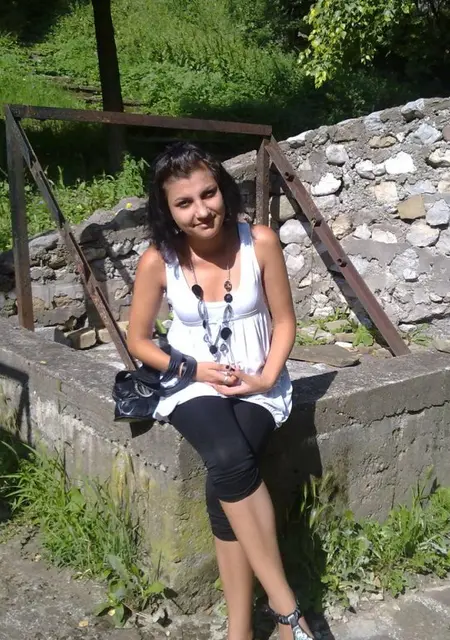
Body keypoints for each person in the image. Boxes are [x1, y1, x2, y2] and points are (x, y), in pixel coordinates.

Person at [127, 141, 314, 640]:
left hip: (257, 382)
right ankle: (286, 609)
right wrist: (195, 369)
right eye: (184, 202)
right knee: (230, 457)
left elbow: (285, 322)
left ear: (223, 190)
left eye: (208, 194)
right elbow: (138, 340)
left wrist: (267, 377)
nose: (201, 210)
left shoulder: (260, 242)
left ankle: (239, 631)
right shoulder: (159, 261)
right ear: (167, 210)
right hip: (191, 383)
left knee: (224, 486)